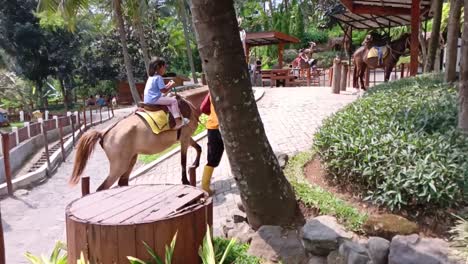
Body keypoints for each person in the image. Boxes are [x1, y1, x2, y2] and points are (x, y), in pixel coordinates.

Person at [144, 57, 189, 129]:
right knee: (173, 101)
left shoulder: (151, 77)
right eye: (164, 67)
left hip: (148, 99)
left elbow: (162, 88)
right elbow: (164, 90)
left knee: (169, 99)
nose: (165, 69)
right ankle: (178, 122)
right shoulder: (159, 77)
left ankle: (175, 118)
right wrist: (171, 85)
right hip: (154, 99)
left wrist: (168, 85)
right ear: (159, 67)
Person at [201, 93, 224, 195]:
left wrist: (213, 115)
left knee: (212, 158)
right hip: (226, 128)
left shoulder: (211, 91)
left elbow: (203, 108)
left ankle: (205, 186)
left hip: (212, 127)